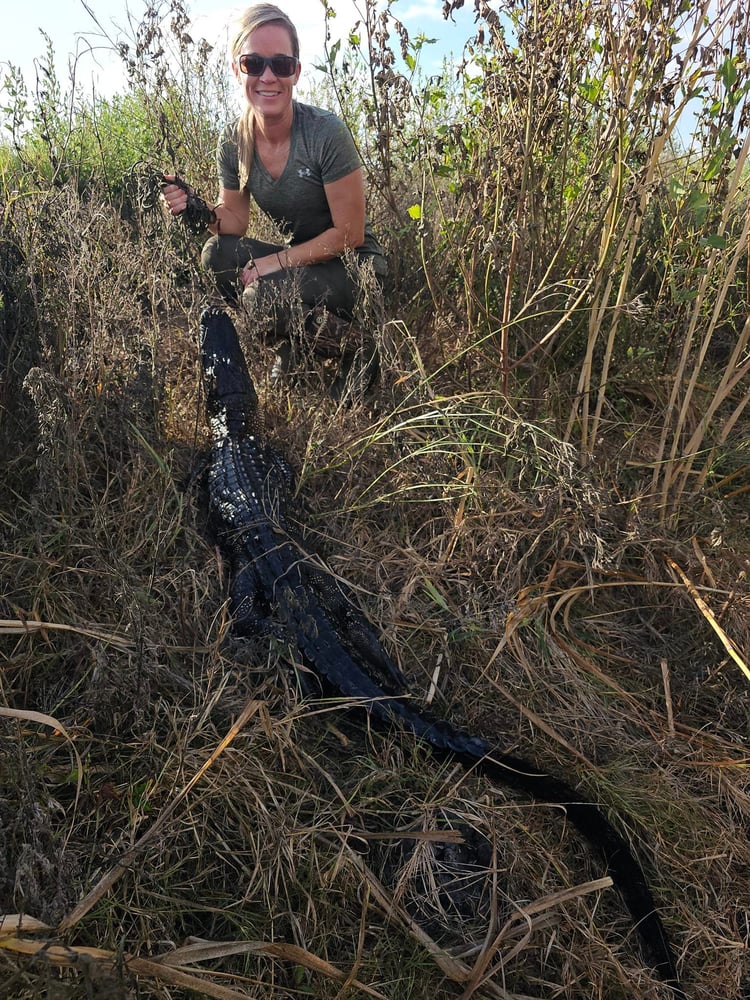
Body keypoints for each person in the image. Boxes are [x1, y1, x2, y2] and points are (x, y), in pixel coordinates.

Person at [161, 3, 386, 399]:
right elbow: (233, 221)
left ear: (296, 71)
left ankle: (361, 349)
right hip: (307, 262)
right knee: (215, 255)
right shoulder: (233, 140)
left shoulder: (324, 132)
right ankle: (293, 347)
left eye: (281, 64)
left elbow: (350, 234)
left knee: (262, 294)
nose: (268, 76)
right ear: (237, 69)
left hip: (357, 268)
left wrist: (272, 263)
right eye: (253, 63)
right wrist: (194, 208)